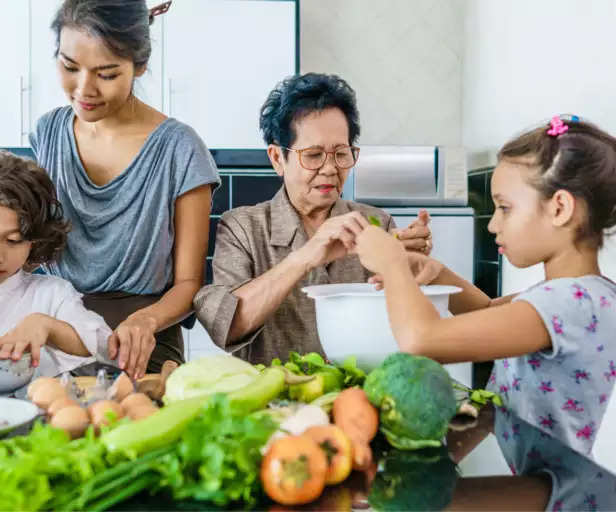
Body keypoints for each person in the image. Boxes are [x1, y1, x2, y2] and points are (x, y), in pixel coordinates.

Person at [355, 116, 616, 460]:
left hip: (544, 489)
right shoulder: (583, 294)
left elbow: (421, 339)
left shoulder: (568, 303)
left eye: (505, 208)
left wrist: (392, 262)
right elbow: (489, 313)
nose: (493, 224)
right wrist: (437, 272)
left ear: (560, 208)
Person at [30, 0, 220, 379]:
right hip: (57, 330)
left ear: (140, 66)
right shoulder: (47, 132)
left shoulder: (180, 149)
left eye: (107, 74)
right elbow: (26, 246)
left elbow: (188, 284)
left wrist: (146, 320)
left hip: (141, 341)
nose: (84, 89)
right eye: (69, 67)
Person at [193, 73, 432, 365]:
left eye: (341, 153)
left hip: (360, 398)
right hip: (273, 402)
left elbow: (408, 325)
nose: (331, 168)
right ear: (277, 158)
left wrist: (412, 267)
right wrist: (305, 256)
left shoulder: (377, 222)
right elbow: (228, 326)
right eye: (314, 155)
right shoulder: (242, 227)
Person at [0, 150, 110, 381]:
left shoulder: (52, 295)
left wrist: (50, 328)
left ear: (35, 241)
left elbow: (107, 349)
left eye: (13, 240)